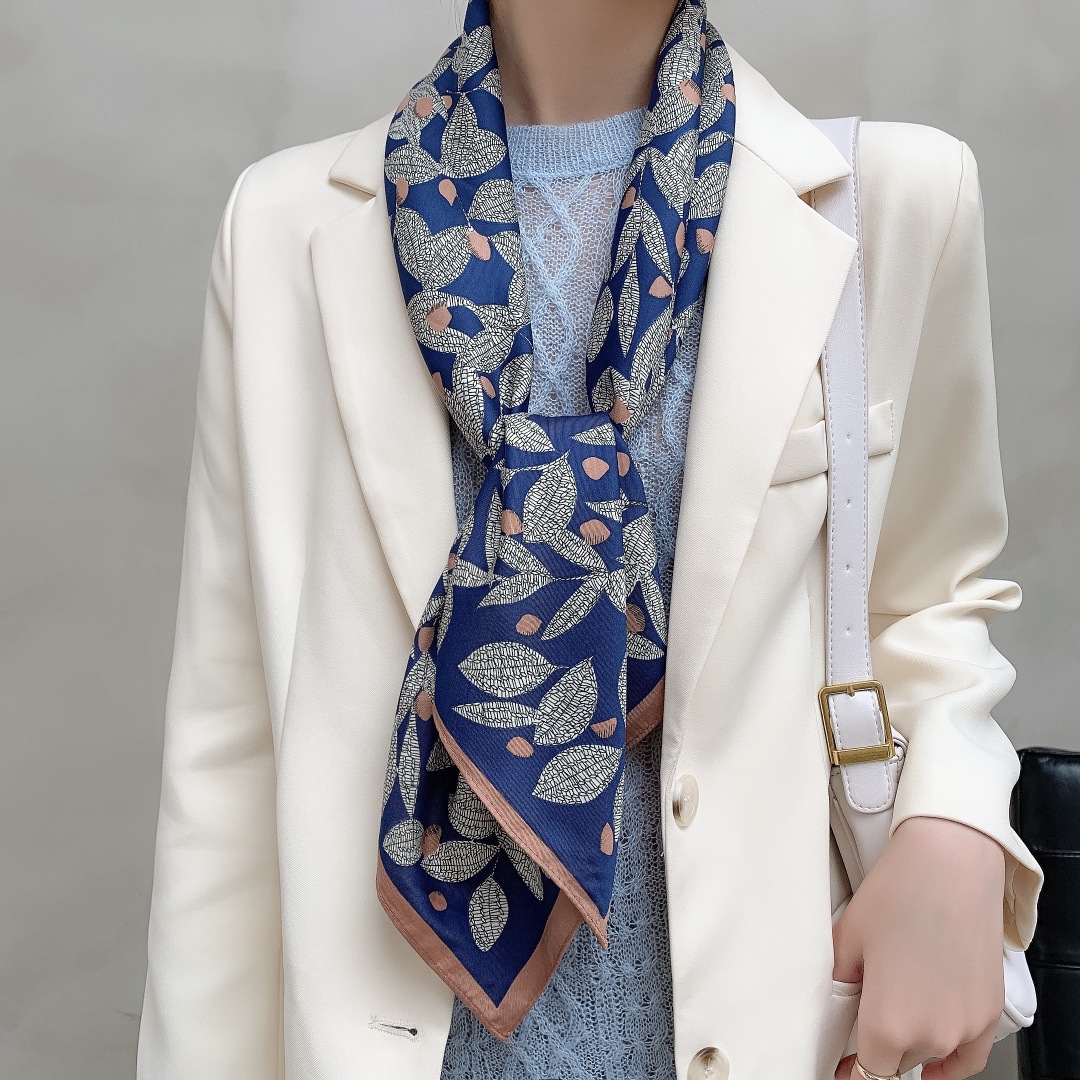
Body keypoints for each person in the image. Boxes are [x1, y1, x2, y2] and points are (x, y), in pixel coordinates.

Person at [136, 1, 1044, 1078]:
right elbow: (229, 749)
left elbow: (931, 593)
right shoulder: (281, 229)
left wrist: (955, 822)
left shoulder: (888, 200)